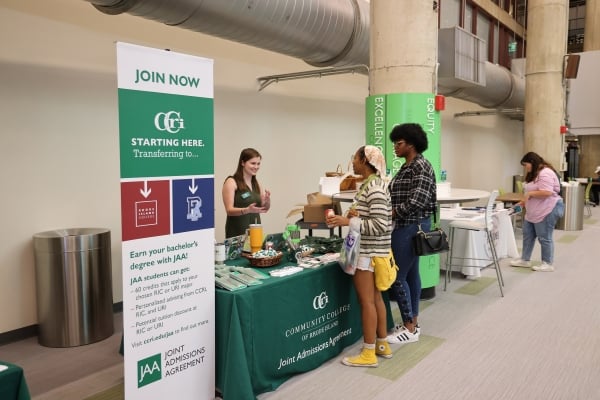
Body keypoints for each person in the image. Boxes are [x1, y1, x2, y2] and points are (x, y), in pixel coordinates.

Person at [326, 145, 393, 367]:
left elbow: (382, 225)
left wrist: (349, 221)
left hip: (368, 253)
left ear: (365, 161)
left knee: (366, 303)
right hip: (372, 251)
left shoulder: (373, 188)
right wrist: (356, 214)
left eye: (354, 158)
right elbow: (372, 215)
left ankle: (368, 353)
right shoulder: (370, 185)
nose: (352, 163)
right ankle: (382, 343)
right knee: (375, 299)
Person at [386, 123, 437, 345]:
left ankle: (409, 327)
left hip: (410, 226)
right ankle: (413, 322)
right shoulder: (407, 166)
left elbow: (418, 200)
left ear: (412, 144)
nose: (395, 148)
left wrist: (392, 212)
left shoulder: (421, 166)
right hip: (406, 225)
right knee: (411, 275)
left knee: (397, 276)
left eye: (399, 143)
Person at [510, 152, 564, 272]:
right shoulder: (535, 173)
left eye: (526, 164)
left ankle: (547, 263)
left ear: (532, 162)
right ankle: (525, 259)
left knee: (544, 237)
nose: (525, 167)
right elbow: (533, 190)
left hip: (547, 209)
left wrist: (529, 194)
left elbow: (547, 192)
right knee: (528, 235)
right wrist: (523, 202)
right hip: (534, 211)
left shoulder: (545, 173)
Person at [222, 148, 271, 238]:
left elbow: (264, 209)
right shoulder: (231, 181)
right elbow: (229, 210)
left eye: (258, 164)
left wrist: (267, 201)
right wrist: (247, 210)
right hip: (237, 235)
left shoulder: (256, 183)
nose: (256, 167)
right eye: (253, 163)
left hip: (255, 234)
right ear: (243, 163)